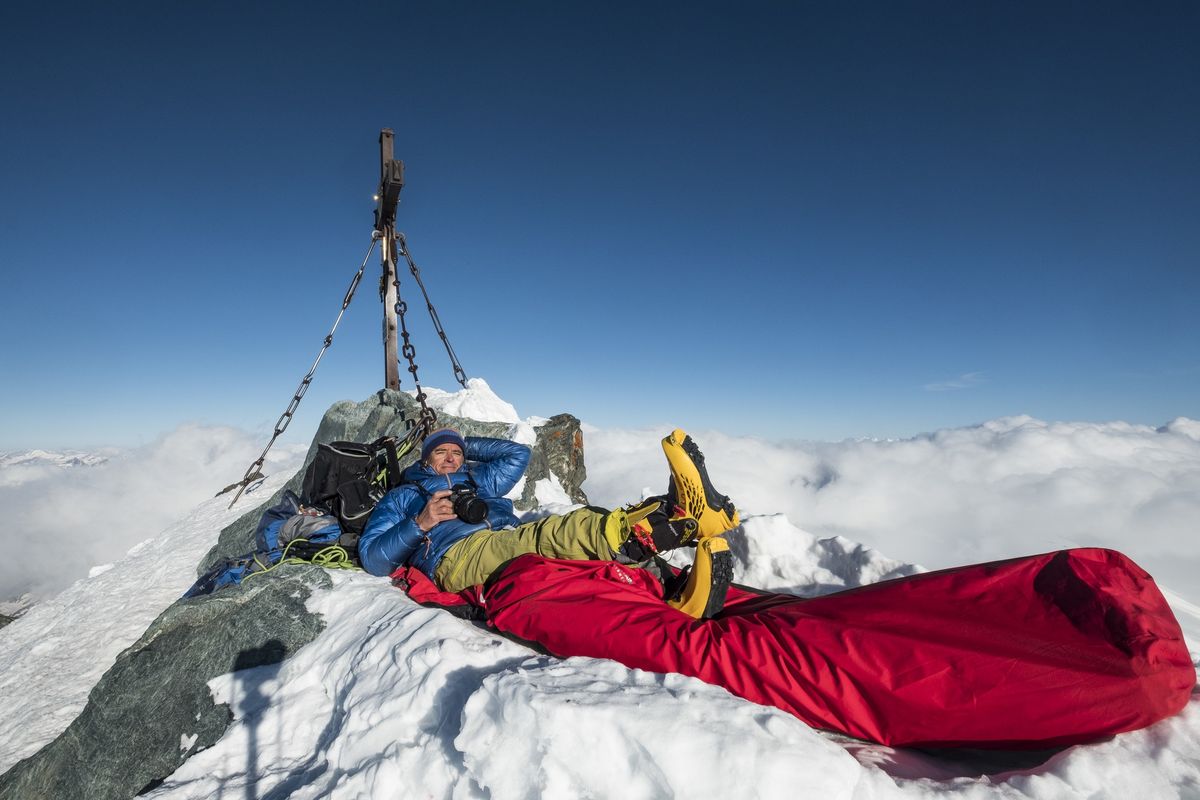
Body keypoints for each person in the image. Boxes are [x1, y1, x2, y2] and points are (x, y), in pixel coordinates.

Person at [358, 427, 741, 618]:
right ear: (425, 460)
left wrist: (460, 438)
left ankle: (674, 588)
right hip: (456, 557)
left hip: (504, 537)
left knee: (578, 531)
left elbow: (517, 454)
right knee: (558, 533)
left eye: (455, 454)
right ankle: (675, 515)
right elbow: (374, 558)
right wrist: (420, 523)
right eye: (439, 453)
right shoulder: (405, 496)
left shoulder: (477, 479)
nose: (450, 459)